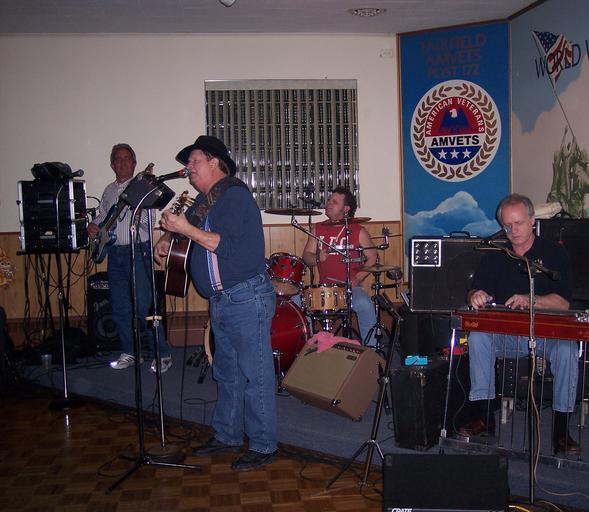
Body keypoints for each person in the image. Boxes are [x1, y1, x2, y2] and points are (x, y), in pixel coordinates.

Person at [154, 135, 278, 472]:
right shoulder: (204, 201)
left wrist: (186, 230)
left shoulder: (234, 195)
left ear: (215, 163)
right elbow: (187, 227)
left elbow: (233, 249)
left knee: (255, 376)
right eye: (188, 163)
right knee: (227, 374)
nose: (188, 167)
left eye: (194, 161)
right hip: (223, 301)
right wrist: (168, 236)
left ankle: (264, 445)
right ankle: (227, 436)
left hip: (246, 298)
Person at [458, 193, 580, 455]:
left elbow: (563, 303)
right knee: (478, 337)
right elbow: (473, 292)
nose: (513, 230)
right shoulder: (496, 255)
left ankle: (562, 431)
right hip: (509, 336)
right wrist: (476, 295)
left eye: (519, 223)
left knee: (568, 350)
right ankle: (485, 417)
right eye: (507, 225)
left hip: (546, 335)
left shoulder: (554, 253)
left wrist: (530, 299)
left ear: (533, 220)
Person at [87, 144, 172, 373]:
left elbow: (147, 223)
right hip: (114, 253)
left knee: (145, 307)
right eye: (118, 159)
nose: (123, 162)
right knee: (120, 307)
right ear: (112, 164)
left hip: (139, 250)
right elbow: (103, 216)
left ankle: (162, 354)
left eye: (127, 158)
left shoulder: (143, 188)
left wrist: (134, 207)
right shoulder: (109, 190)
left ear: (134, 163)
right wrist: (94, 226)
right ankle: (129, 352)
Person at [301, 187, 377, 345]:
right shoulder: (318, 228)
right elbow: (306, 256)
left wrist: (357, 279)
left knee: (364, 303)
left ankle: (371, 349)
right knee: (298, 301)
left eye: (334, 202)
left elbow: (372, 257)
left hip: (350, 288)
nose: (329, 203)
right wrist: (317, 258)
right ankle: (308, 349)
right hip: (324, 289)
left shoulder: (358, 230)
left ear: (346, 208)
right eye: (329, 200)